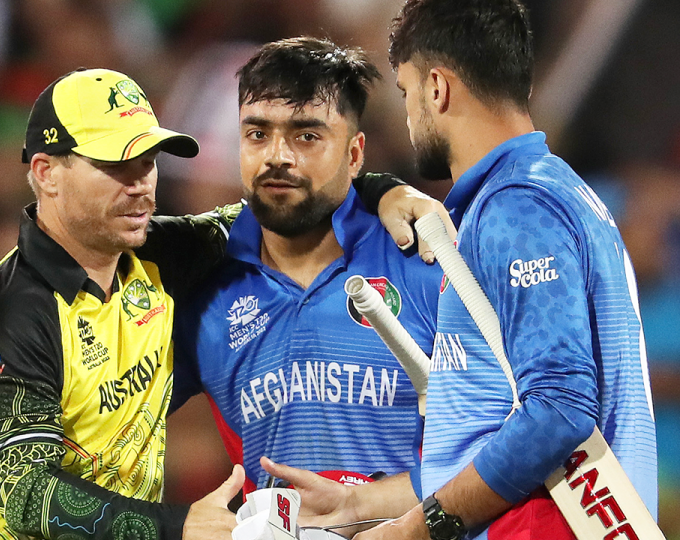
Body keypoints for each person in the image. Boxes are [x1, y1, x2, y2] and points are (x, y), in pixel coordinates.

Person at [0, 67, 440, 540]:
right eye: (116, 165)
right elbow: (29, 496)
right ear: (46, 174)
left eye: (148, 161)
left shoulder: (156, 255)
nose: (141, 183)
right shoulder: (11, 316)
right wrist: (178, 526)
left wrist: (384, 188)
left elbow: (286, 200)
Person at [264, 2, 658, 539]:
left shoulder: (519, 209)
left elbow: (560, 412)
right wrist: (362, 504)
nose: (407, 117)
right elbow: (495, 439)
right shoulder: (550, 194)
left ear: (436, 89)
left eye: (405, 94)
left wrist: (416, 531)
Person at [169, 37, 444, 497]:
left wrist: (367, 506)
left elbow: (504, 443)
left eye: (306, 136)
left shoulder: (425, 262)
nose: (277, 155)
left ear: (354, 155)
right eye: (257, 134)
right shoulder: (203, 295)